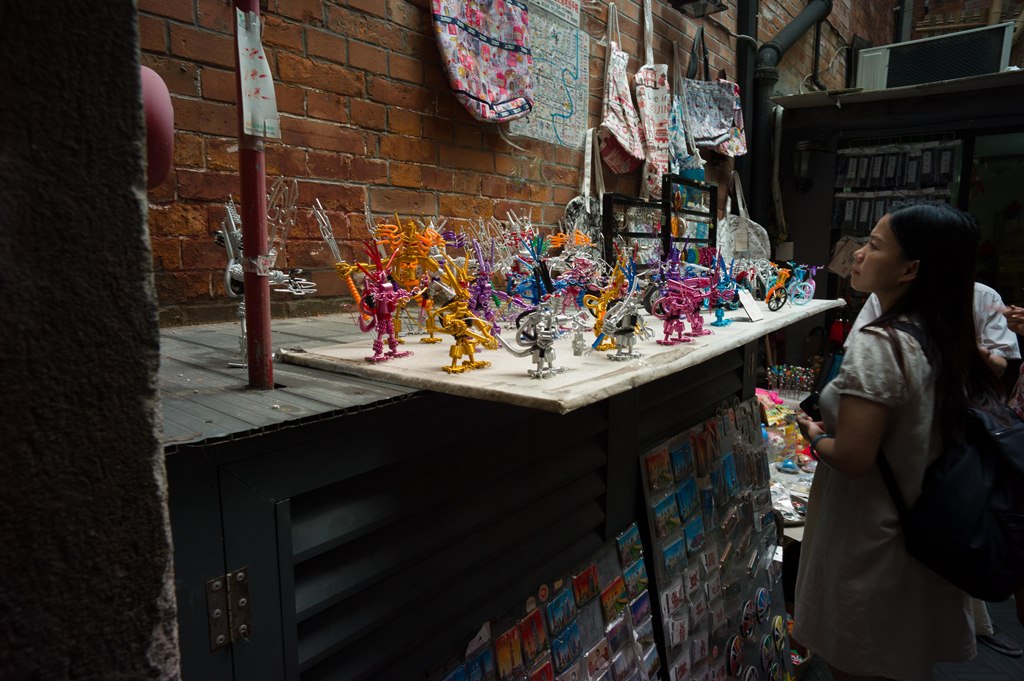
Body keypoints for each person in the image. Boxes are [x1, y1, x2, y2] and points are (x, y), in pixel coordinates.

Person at [794, 202, 1006, 681]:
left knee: (862, 664)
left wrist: (814, 435)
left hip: (872, 547)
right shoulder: (941, 334)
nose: (857, 254)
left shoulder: (882, 343)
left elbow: (853, 458)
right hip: (921, 535)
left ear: (910, 269)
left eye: (873, 245)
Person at [848, 285, 1022, 658]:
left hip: (963, 423)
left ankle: (972, 616)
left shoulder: (982, 297)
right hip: (910, 424)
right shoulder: (882, 300)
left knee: (954, 517)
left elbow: (1001, 363)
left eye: (875, 250)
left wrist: (965, 351)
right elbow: (857, 349)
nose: (858, 257)